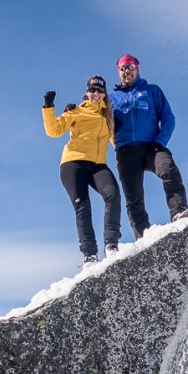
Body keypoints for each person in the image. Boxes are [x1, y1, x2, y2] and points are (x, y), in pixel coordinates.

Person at [108, 53, 188, 239]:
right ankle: (144, 236)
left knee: (169, 170)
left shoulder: (152, 91)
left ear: (137, 69)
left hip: (151, 146)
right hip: (125, 151)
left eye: (131, 67)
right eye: (123, 68)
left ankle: (179, 212)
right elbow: (100, 122)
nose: (127, 71)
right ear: (118, 72)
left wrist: (159, 142)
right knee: (133, 197)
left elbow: (168, 118)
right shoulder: (111, 99)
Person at [42, 75, 122, 266]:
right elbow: (53, 131)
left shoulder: (107, 117)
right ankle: (90, 254)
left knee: (113, 195)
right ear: (87, 92)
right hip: (73, 163)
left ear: (104, 94)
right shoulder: (75, 111)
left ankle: (111, 244)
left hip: (97, 165)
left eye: (99, 90)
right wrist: (48, 107)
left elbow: (116, 142)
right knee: (83, 206)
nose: (96, 94)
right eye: (92, 90)